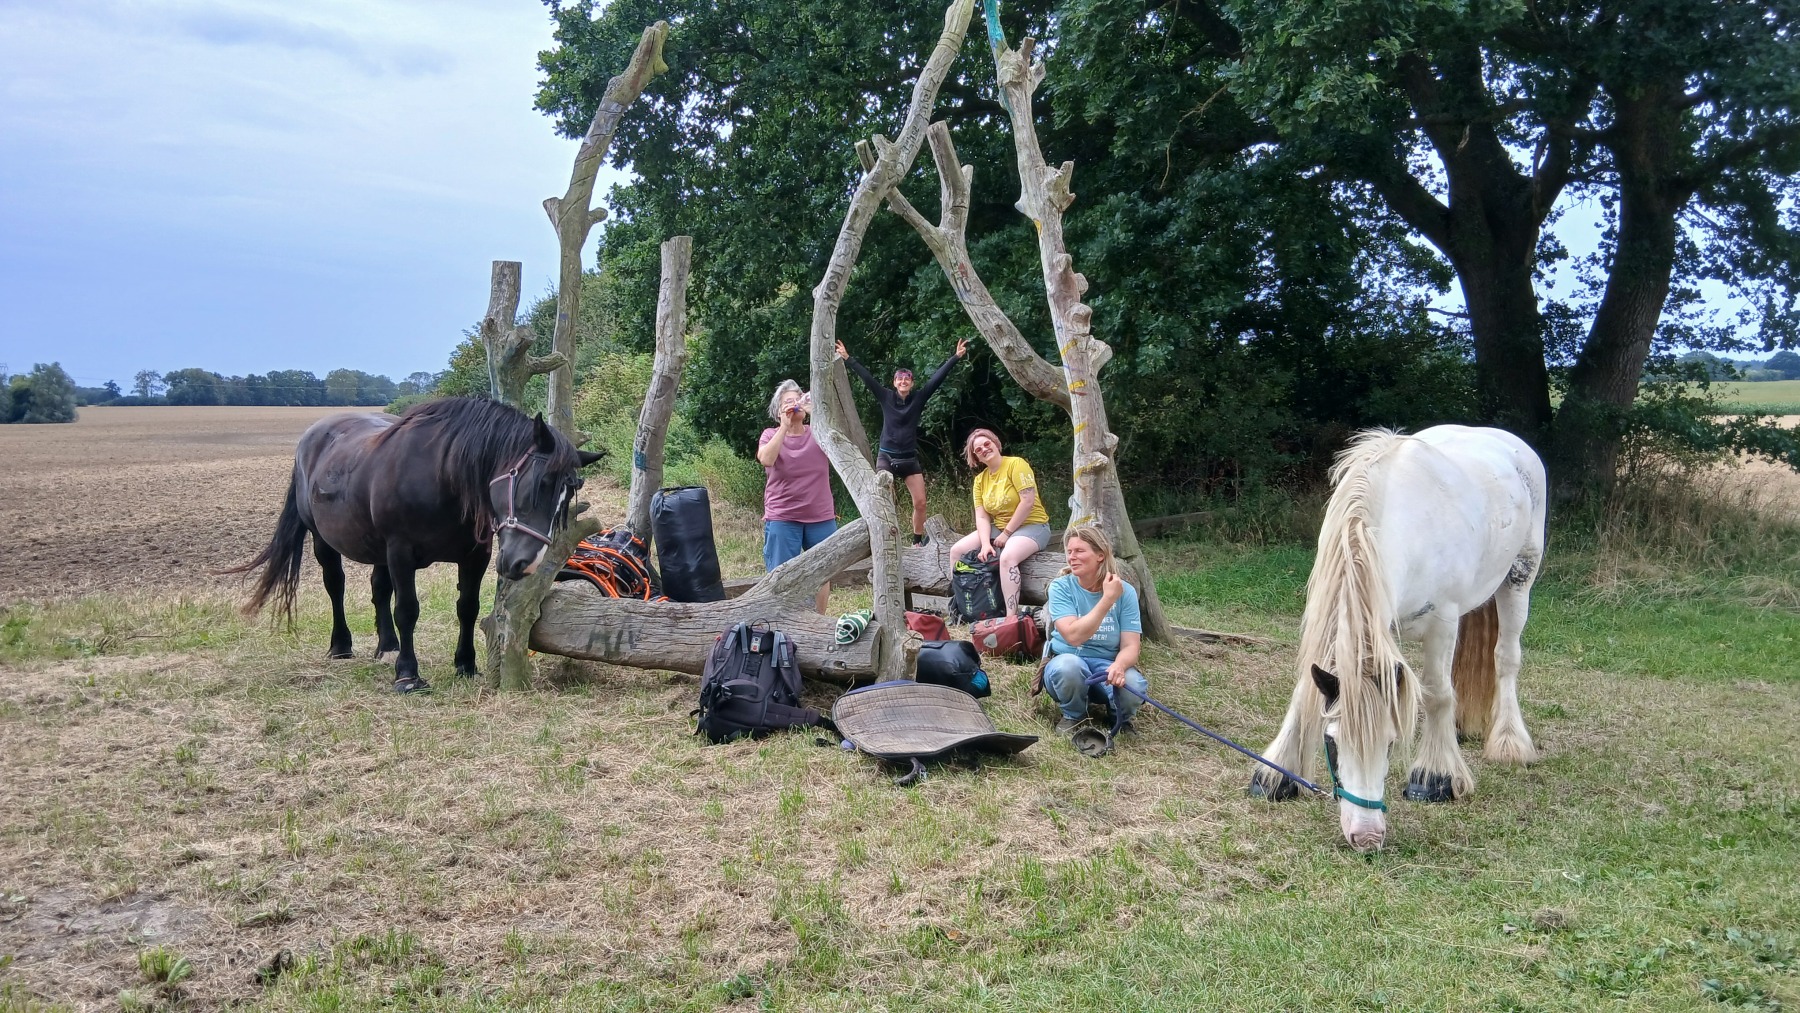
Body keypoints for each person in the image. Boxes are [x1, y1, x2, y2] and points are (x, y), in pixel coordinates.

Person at [835, 337, 968, 544]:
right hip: (887, 457)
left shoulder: (919, 398)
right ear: (894, 383)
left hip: (908, 459)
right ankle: (883, 540)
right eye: (899, 379)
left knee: (921, 503)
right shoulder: (886, 396)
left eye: (907, 379)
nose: (903, 382)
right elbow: (867, 378)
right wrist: (848, 358)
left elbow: (936, 379)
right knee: (882, 501)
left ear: (912, 383)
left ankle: (916, 542)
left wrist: (955, 357)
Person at [1041, 524, 1148, 735]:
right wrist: (1107, 600)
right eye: (1069, 551)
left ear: (1100, 555)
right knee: (1069, 667)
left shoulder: (1125, 592)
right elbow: (1073, 636)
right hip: (1067, 661)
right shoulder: (1061, 587)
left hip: (1106, 664)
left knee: (1134, 685)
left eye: (1079, 551)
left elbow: (1131, 646)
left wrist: (1119, 666)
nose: (1072, 557)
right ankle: (1074, 714)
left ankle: (1119, 716)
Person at [949, 428, 1052, 618]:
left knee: (1007, 557)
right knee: (956, 550)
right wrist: (985, 544)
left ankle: (1010, 618)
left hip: (1032, 525)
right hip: (999, 527)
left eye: (987, 444)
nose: (984, 449)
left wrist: (1006, 534)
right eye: (978, 449)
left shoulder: (1016, 464)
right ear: (976, 457)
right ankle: (962, 608)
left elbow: (1027, 501)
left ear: (996, 443)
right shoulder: (980, 480)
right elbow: (982, 516)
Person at [757, 380, 835, 613]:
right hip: (783, 516)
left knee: (823, 572)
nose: (794, 404)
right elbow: (766, 459)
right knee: (781, 576)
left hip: (820, 516)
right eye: (788, 402)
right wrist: (784, 426)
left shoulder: (818, 432)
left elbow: (839, 441)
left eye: (798, 400)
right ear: (777, 412)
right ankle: (783, 624)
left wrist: (817, 414)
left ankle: (818, 622)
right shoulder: (770, 434)